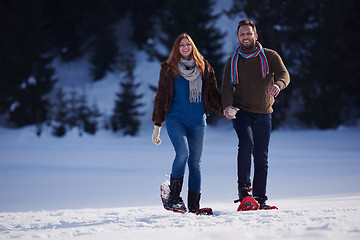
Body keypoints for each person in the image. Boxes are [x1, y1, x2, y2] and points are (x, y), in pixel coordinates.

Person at [221, 19, 290, 209]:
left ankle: (260, 198)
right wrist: (227, 107)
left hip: (264, 113)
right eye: (242, 34)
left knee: (262, 156)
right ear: (238, 37)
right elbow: (226, 87)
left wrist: (278, 84)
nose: (245, 37)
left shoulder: (270, 56)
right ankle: (244, 193)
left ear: (255, 36)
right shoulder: (233, 61)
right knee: (246, 143)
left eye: (248, 33)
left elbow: (285, 75)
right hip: (241, 111)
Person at [151, 33, 222, 213]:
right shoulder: (169, 69)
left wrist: (225, 109)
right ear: (177, 48)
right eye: (181, 45)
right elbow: (160, 97)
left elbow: (213, 95)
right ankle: (173, 198)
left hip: (198, 121)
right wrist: (157, 125)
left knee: (195, 163)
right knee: (182, 153)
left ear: (193, 47)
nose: (185, 47)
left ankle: (194, 207)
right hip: (176, 119)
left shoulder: (204, 67)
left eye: (188, 44)